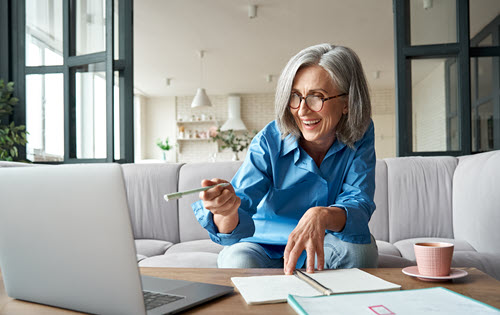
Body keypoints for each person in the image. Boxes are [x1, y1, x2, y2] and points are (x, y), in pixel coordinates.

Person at [192, 43, 377, 275]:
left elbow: (358, 201)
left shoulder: (360, 133)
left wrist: (321, 214)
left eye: (316, 97)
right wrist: (226, 211)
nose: (302, 110)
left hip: (324, 241)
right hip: (261, 244)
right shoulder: (268, 140)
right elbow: (240, 208)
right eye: (295, 97)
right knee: (237, 261)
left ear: (347, 103)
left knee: (362, 251)